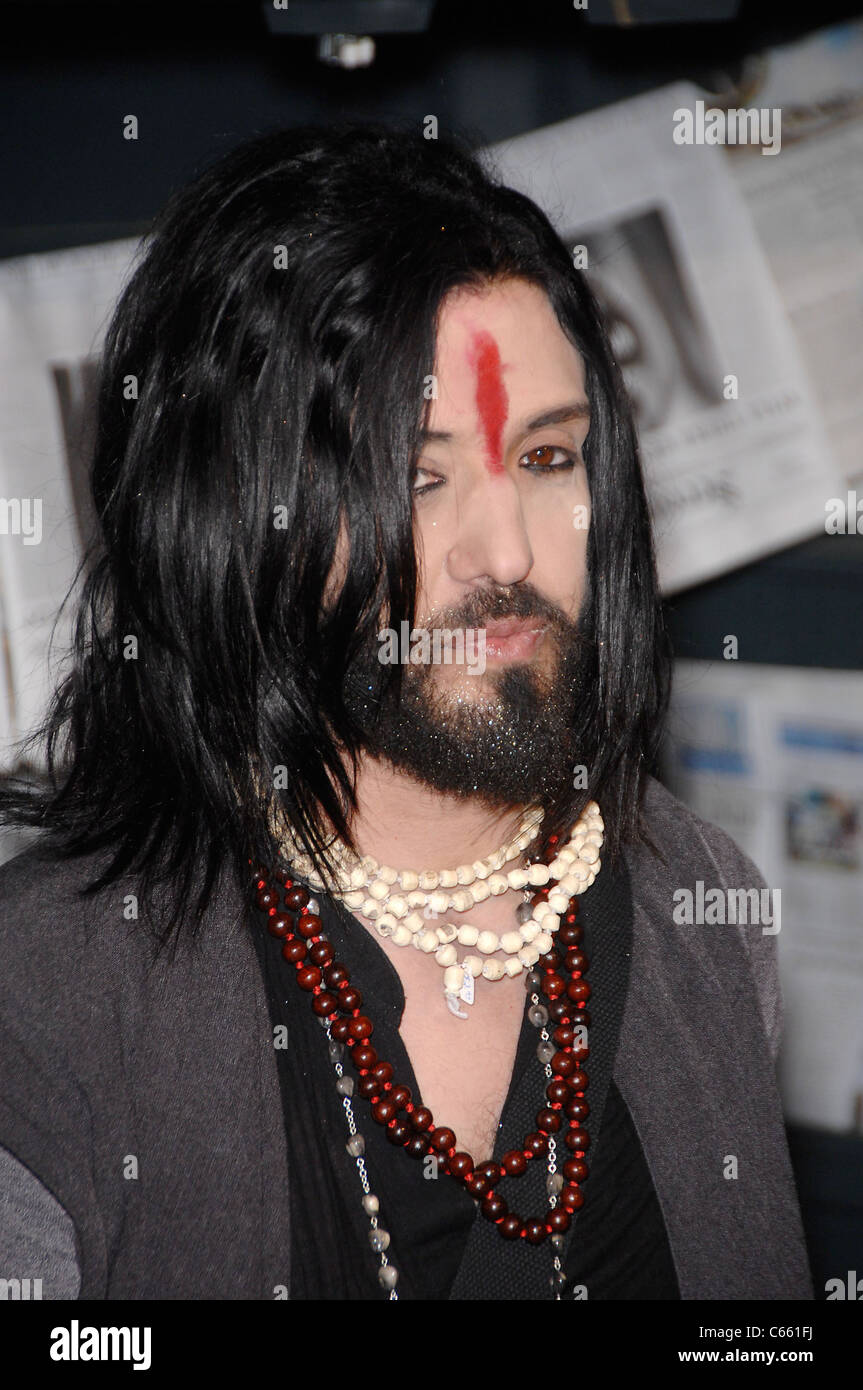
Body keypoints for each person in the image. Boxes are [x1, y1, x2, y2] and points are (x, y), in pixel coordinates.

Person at [0, 122, 811, 1301]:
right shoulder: (52, 995)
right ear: (237, 514)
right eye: (415, 478)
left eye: (546, 458)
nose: (508, 553)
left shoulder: (703, 911)